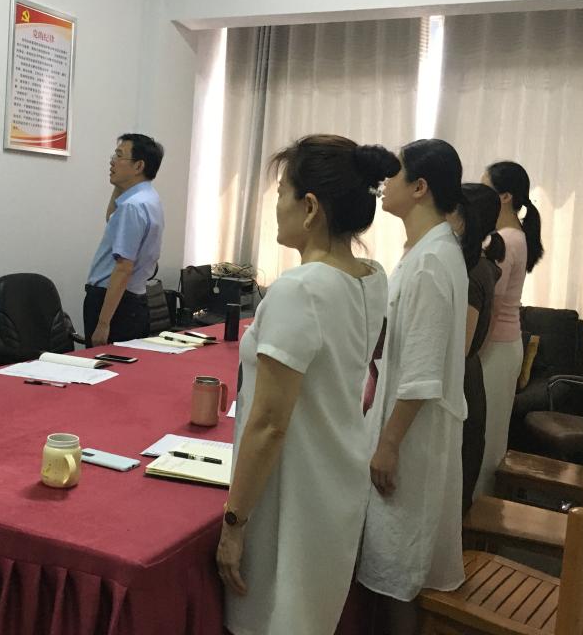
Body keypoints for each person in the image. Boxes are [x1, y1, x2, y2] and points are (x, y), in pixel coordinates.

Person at [216, 134, 398, 635]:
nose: (276, 206)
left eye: (282, 193)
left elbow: (269, 424)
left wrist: (234, 523)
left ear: (311, 207)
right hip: (336, 478)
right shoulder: (372, 276)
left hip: (291, 494)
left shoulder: (301, 289)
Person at [358, 139, 472, 635]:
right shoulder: (428, 250)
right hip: (409, 431)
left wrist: (388, 444)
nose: (386, 183)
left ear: (420, 187)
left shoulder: (430, 261)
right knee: (394, 563)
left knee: (398, 570)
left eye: (396, 174)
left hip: (411, 439)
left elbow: (422, 374)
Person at [474, 160, 544, 497]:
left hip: (496, 346)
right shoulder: (515, 236)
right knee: (492, 430)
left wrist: (472, 350)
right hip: (506, 343)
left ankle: (480, 504)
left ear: (504, 196)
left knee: (484, 432)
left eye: (484, 185)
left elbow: (491, 304)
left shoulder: (506, 240)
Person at [448, 184, 506, 514]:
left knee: (456, 490)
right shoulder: (479, 264)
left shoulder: (471, 271)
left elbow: (463, 344)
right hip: (469, 376)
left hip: (462, 381)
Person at [83, 134, 164, 347]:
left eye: (119, 156)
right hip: (133, 301)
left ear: (138, 166)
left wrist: (103, 323)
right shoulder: (149, 198)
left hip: (116, 305)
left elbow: (123, 268)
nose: (112, 161)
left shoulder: (132, 206)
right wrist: (119, 183)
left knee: (103, 364)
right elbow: (111, 217)